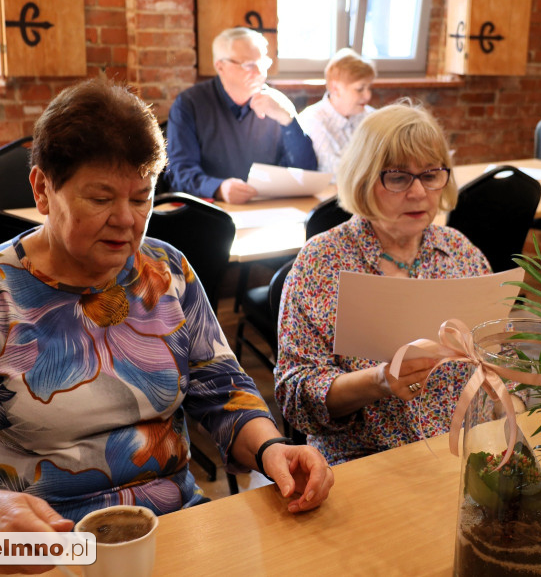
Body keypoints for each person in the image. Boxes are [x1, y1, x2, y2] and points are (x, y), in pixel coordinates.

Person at [0, 80, 333, 558]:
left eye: (141, 197)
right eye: (101, 199)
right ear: (43, 189)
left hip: (170, 525)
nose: (127, 220)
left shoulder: (165, 271)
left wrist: (273, 449)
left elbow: (223, 389)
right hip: (41, 544)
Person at [274, 103, 491, 465]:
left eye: (431, 174)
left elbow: (496, 357)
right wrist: (378, 381)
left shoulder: (460, 253)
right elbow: (295, 398)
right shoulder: (322, 261)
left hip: (460, 452)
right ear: (363, 178)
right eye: (398, 177)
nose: (419, 192)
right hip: (363, 461)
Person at [166, 27, 317, 204]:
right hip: (209, 212)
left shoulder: (277, 103)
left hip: (266, 208)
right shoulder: (189, 104)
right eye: (249, 65)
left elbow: (307, 171)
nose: (259, 72)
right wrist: (218, 188)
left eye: (263, 63)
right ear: (220, 66)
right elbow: (179, 172)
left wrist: (288, 119)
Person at [299, 48, 377, 174]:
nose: (368, 95)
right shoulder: (313, 120)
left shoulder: (372, 116)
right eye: (360, 89)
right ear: (336, 88)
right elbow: (335, 172)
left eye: (369, 88)